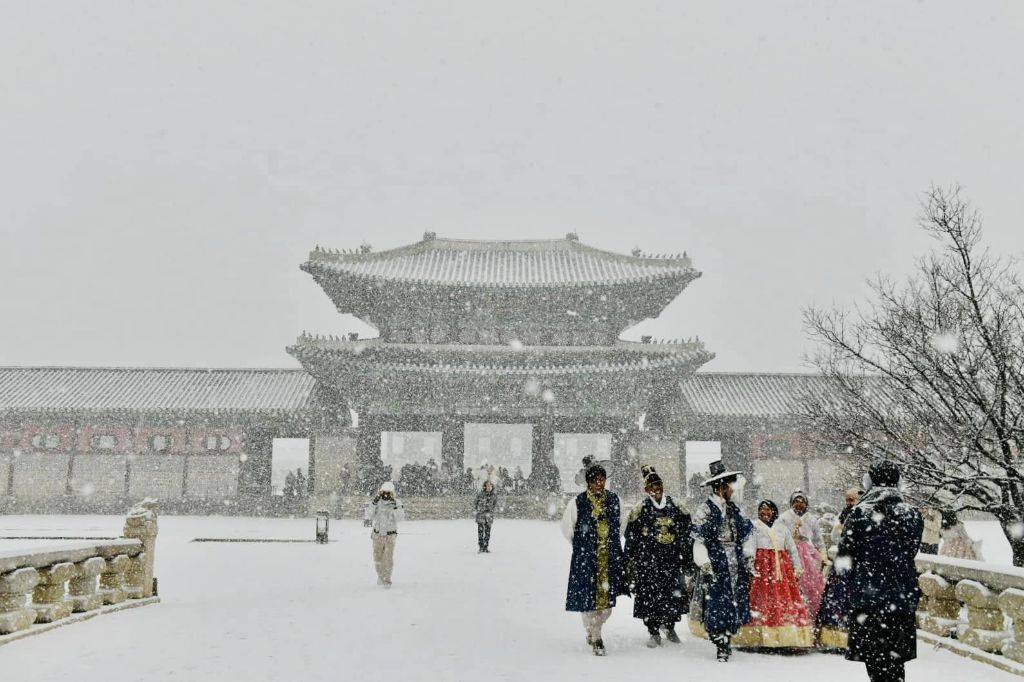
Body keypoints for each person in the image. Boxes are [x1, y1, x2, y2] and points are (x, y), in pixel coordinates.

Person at [837, 461, 923, 682]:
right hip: (901, 598)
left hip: (868, 600)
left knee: (874, 660)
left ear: (869, 482)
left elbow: (845, 558)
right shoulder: (911, 514)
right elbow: (910, 551)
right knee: (895, 661)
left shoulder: (858, 514)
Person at [561, 458, 628, 656]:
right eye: (596, 480)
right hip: (586, 559)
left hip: (610, 558)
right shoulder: (577, 502)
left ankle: (593, 628)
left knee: (607, 605)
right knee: (588, 599)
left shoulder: (615, 500)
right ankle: (596, 636)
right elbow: (567, 528)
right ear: (589, 482)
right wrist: (582, 545)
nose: (600, 483)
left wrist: (611, 542)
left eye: (602, 479)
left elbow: (622, 524)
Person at [689, 460, 754, 662]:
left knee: (735, 600)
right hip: (716, 560)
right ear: (720, 487)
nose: (732, 490)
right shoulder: (705, 510)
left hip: (734, 560)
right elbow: (698, 541)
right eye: (729, 486)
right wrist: (705, 563)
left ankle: (728, 636)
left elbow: (747, 534)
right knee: (717, 602)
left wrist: (749, 556)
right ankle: (721, 642)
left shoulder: (735, 509)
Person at [623, 466, 693, 647]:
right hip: (648, 563)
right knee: (649, 596)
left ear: (662, 486)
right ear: (646, 490)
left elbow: (687, 531)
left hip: (672, 561)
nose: (655, 490)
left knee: (673, 596)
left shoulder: (676, 506)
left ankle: (669, 626)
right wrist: (631, 559)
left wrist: (686, 554)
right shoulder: (640, 510)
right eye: (651, 487)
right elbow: (631, 536)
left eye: (658, 485)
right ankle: (653, 631)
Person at [746, 499, 813, 648]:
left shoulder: (782, 527)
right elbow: (750, 548)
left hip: (781, 568)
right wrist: (751, 566)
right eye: (762, 510)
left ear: (774, 511)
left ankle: (785, 636)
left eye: (768, 510)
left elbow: (792, 549)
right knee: (764, 598)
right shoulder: (754, 527)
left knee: (784, 598)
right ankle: (762, 637)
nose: (765, 513)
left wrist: (797, 567)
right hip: (763, 569)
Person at [816, 488, 861, 649]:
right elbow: (835, 537)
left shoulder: (862, 514)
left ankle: (852, 639)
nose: (849, 502)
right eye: (847, 499)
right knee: (837, 598)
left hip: (856, 562)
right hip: (843, 561)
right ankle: (835, 639)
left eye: (852, 499)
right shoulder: (843, 514)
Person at [778, 491, 826, 619]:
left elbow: (818, 541)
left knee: (811, 586)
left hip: (808, 555)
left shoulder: (811, 519)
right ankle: (794, 615)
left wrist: (823, 556)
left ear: (806, 504)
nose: (799, 505)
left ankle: (810, 615)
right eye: (796, 502)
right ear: (791, 503)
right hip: (789, 553)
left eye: (802, 502)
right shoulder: (784, 517)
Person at [363, 481, 405, 587]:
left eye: (388, 493)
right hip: (377, 535)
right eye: (384, 492)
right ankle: (380, 576)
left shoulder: (397, 503)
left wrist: (395, 506)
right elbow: (368, 516)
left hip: (390, 535)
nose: (386, 495)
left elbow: (400, 518)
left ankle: (387, 579)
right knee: (377, 558)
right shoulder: (377, 502)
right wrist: (373, 503)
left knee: (388, 558)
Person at [474, 480, 498, 553]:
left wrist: (491, 511)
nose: (488, 487)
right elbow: (475, 503)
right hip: (481, 515)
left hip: (489, 516)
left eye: (490, 485)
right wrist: (478, 509)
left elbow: (495, 505)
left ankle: (486, 546)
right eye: (487, 485)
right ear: (484, 487)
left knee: (487, 532)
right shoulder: (480, 494)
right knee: (480, 532)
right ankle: (481, 547)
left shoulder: (494, 495)